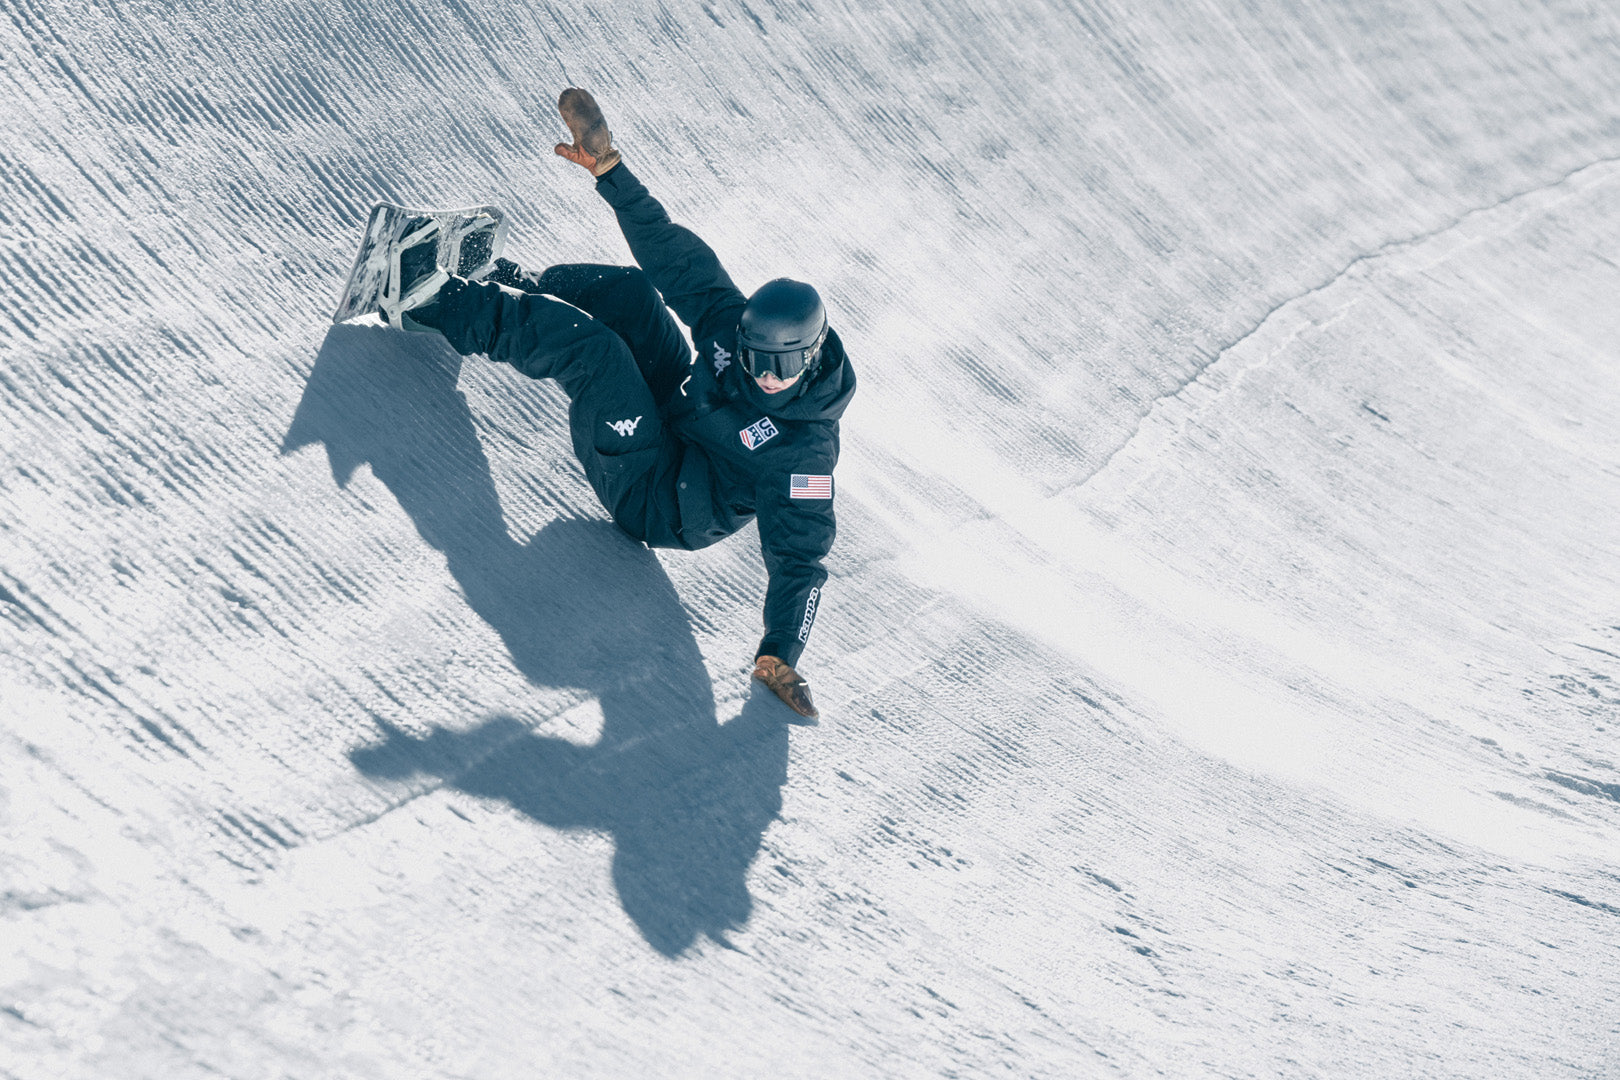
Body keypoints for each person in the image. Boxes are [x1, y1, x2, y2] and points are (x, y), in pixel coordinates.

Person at [387, 88, 855, 720]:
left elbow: (799, 557)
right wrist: (610, 169)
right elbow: (668, 250)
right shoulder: (727, 321)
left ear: (813, 353)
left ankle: (428, 302)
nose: (769, 378)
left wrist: (781, 653)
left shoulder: (804, 449)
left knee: (598, 355)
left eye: (786, 365)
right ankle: (511, 293)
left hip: (657, 499)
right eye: (756, 359)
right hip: (673, 419)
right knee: (634, 294)